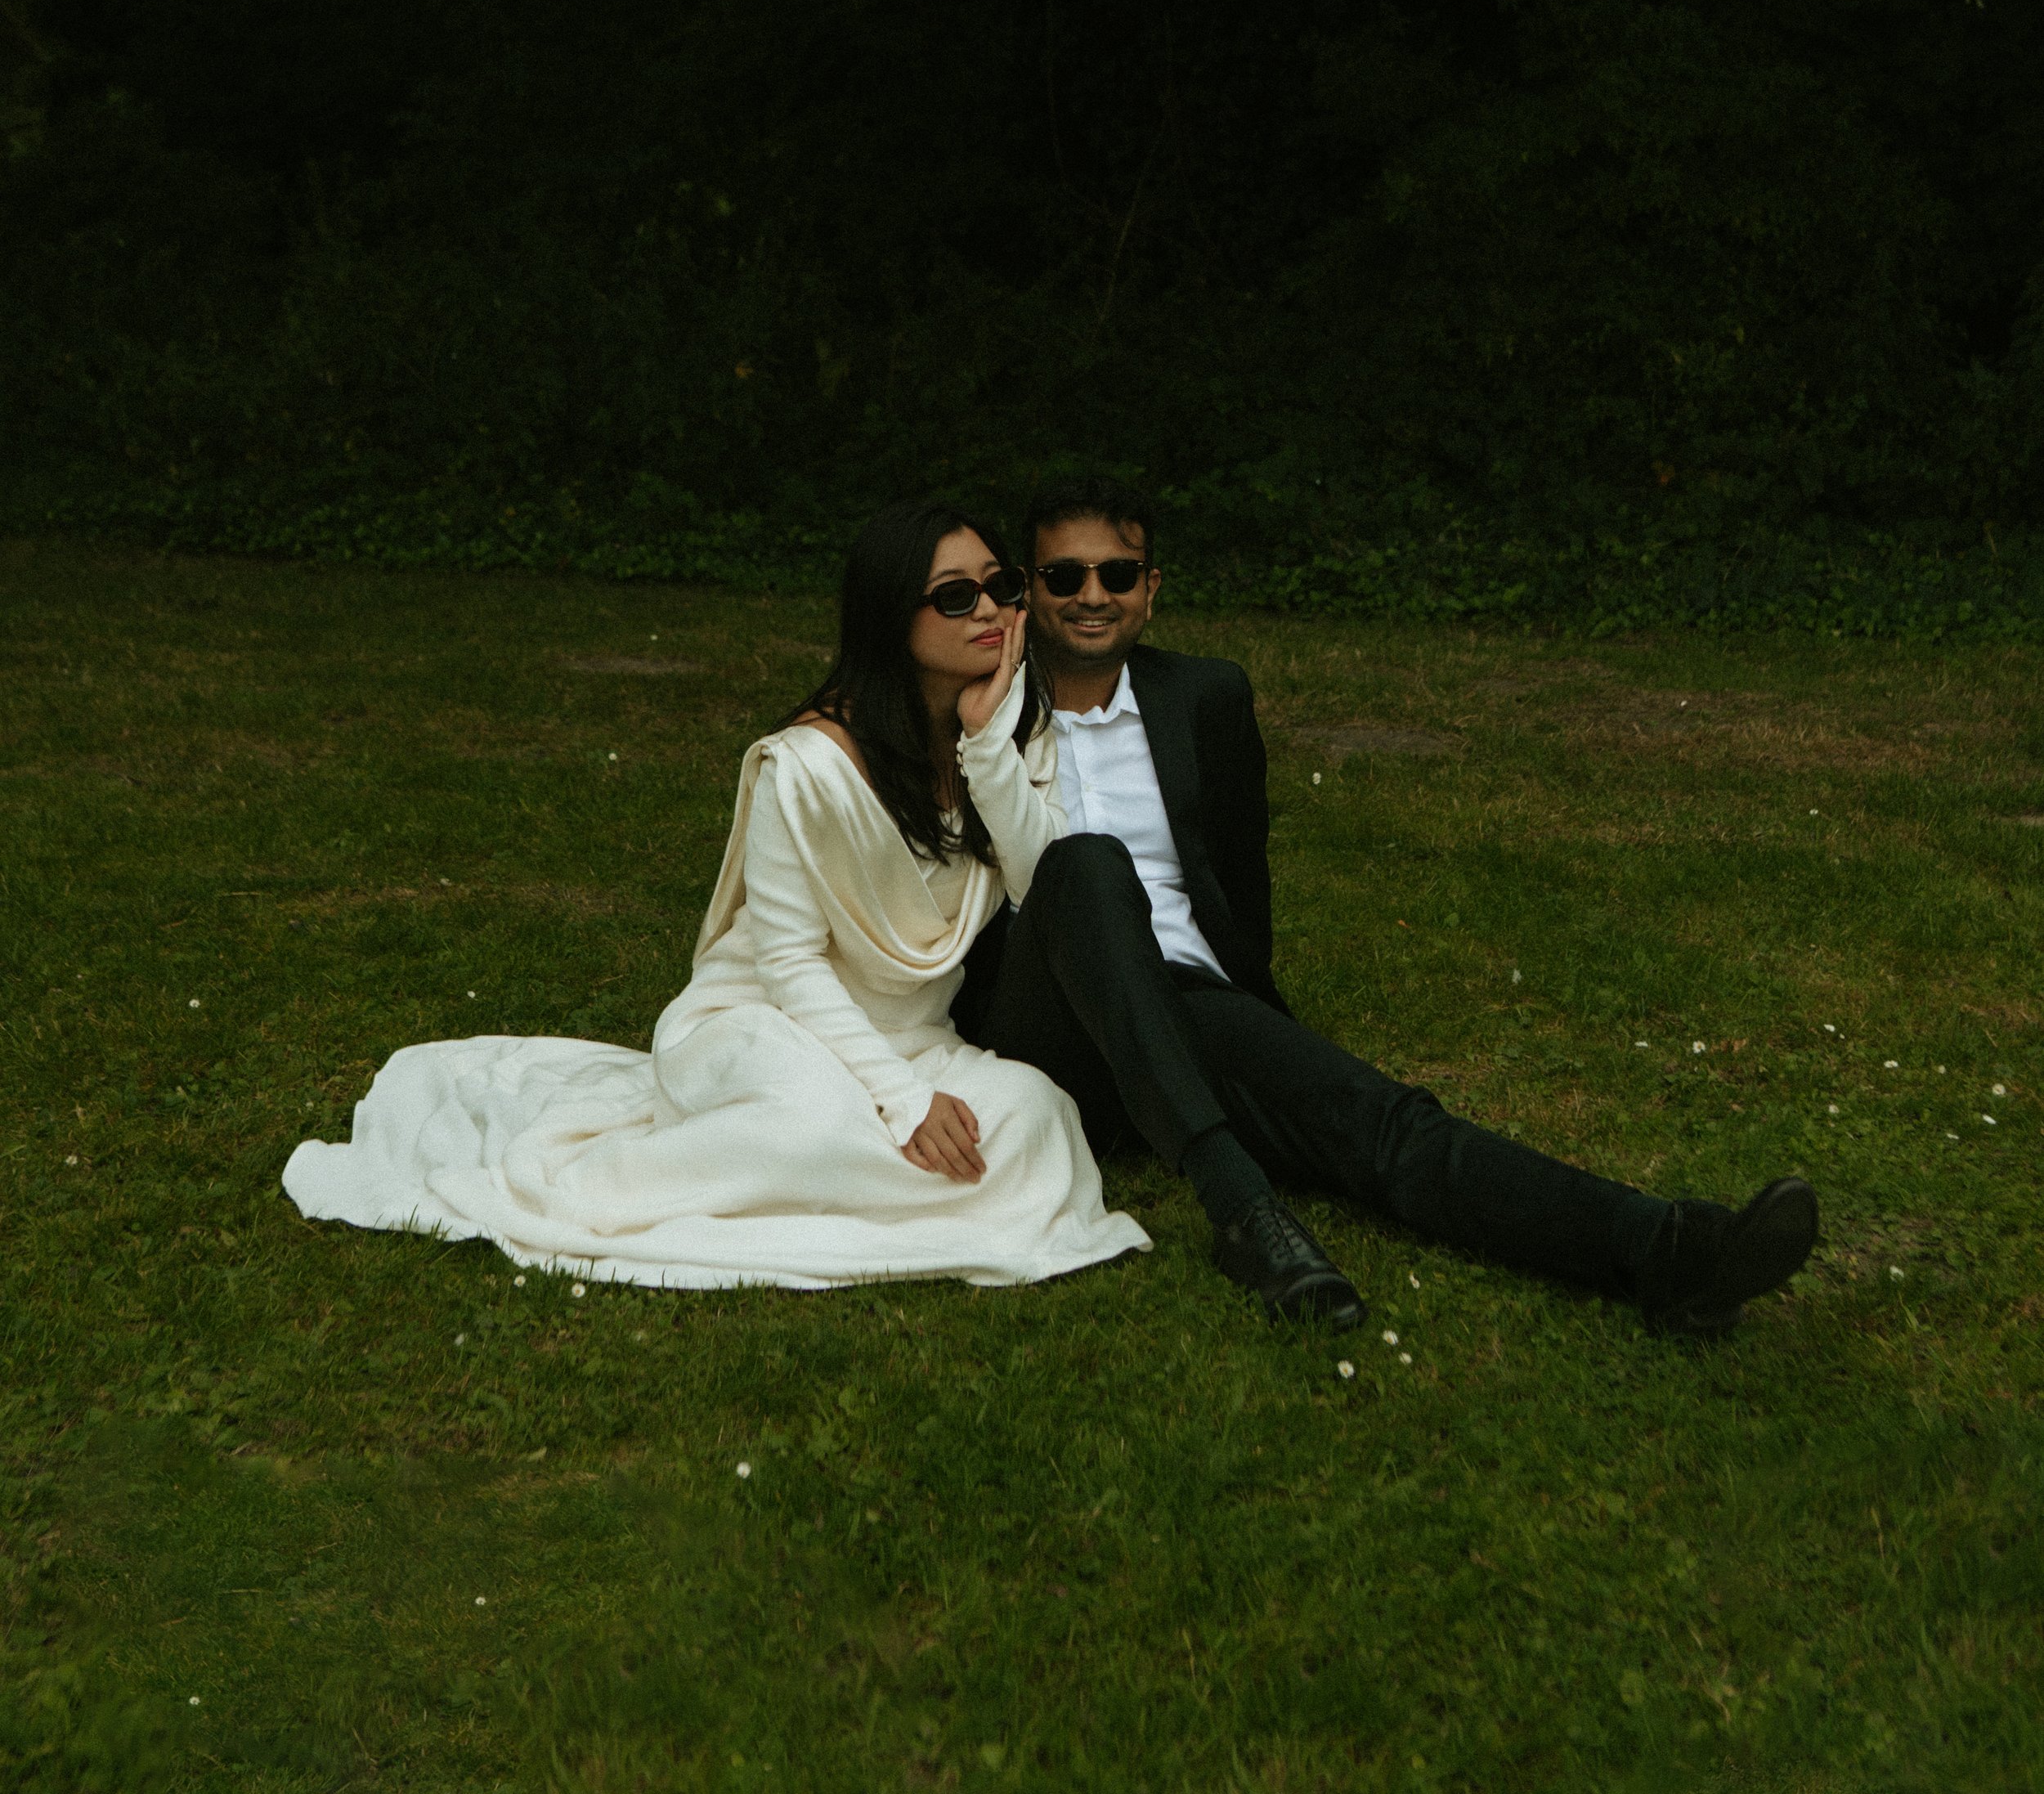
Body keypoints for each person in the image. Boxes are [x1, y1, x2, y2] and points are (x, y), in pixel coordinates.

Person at [951, 472, 1819, 1338]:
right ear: (1028, 591)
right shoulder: (975, 706)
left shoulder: (1204, 697)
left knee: (1380, 1120)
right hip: (1051, 1031)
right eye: (1064, 577)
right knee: (1087, 870)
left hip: (1187, 1009)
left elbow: (1238, 879)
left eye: (1118, 574)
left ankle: (1666, 1252)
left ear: (1152, 589)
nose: (1092, 596)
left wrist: (1262, 1023)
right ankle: (1242, 1205)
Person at [282, 500, 1148, 1293]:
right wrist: (904, 1099)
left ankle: (843, 1168)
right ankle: (603, 1182)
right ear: (891, 618)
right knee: (814, 1128)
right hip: (764, 1022)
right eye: (955, 598)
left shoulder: (1011, 724)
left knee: (1037, 1117)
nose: (993, 611)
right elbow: (788, 963)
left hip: (914, 1034)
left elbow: (1046, 886)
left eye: (1001, 586)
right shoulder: (805, 765)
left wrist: (985, 751)